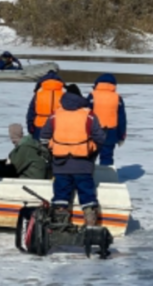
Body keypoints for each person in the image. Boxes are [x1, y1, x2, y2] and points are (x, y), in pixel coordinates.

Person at [39, 84, 106, 226]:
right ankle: (90, 222)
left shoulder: (55, 115)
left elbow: (43, 138)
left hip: (60, 164)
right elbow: (100, 138)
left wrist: (53, 147)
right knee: (87, 195)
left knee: (61, 195)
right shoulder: (89, 115)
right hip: (83, 164)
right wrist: (91, 148)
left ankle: (59, 222)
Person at [88, 74, 127, 166]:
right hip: (110, 132)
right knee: (107, 156)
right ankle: (106, 175)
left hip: (93, 131)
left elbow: (85, 114)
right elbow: (121, 118)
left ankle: (87, 176)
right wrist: (121, 135)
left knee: (89, 155)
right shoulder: (117, 98)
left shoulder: (92, 96)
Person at [26, 70, 64, 140]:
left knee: (39, 148)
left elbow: (31, 111)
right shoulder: (64, 94)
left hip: (39, 126)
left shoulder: (38, 94)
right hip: (58, 126)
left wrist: (30, 125)